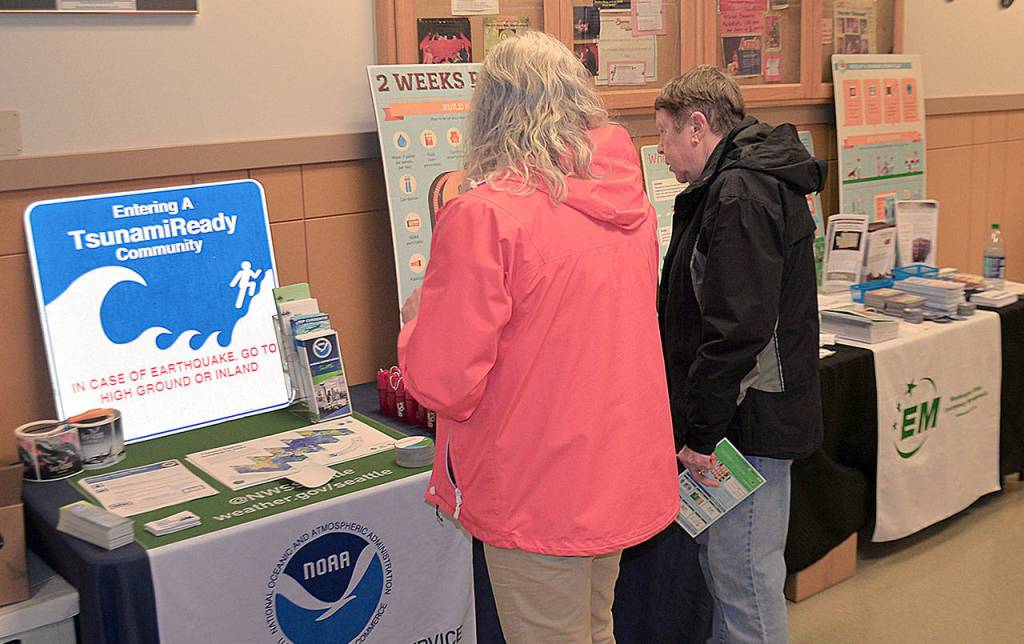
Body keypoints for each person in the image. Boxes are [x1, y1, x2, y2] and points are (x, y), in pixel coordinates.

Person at [398, 30, 679, 644]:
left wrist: (417, 318)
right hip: (611, 465)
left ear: (491, 110)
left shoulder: (486, 214)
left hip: (536, 480)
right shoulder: (625, 201)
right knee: (592, 627)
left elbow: (446, 381)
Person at [654, 65, 825, 643]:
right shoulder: (737, 182)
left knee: (745, 586)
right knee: (729, 579)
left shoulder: (742, 192)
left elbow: (736, 330)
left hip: (745, 425)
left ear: (697, 127)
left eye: (664, 135)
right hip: (738, 416)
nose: (661, 151)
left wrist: (701, 432)